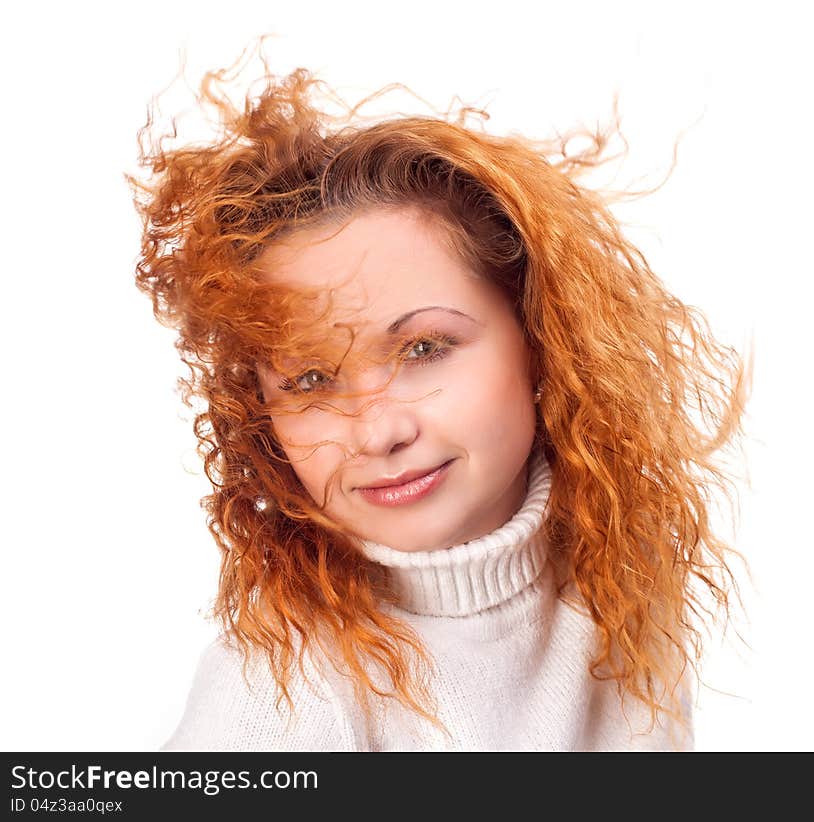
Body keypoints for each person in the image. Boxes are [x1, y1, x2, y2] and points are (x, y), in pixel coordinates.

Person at [127, 56, 752, 752]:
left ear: (543, 337)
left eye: (424, 348)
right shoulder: (276, 691)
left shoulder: (624, 588)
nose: (378, 430)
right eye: (309, 381)